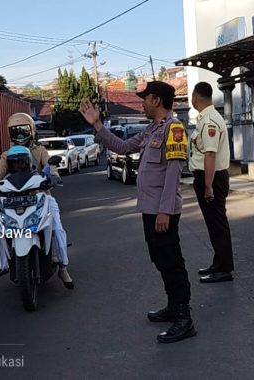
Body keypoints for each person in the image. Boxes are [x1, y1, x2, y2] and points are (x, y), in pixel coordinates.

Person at [80, 81, 196, 344]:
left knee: (172, 262)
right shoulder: (151, 130)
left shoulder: (173, 129)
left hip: (162, 211)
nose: (141, 103)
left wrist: (165, 212)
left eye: (145, 99)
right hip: (150, 209)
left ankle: (184, 318)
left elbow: (173, 172)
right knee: (160, 259)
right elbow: (122, 147)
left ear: (156, 100)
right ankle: (172, 306)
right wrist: (97, 125)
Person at [0, 113, 72, 289]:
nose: (20, 135)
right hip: (12, 200)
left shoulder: (40, 151)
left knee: (57, 229)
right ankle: (2, 265)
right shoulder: (6, 155)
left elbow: (51, 167)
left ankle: (62, 267)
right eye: (15, 131)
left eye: (23, 130)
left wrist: (54, 176)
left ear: (31, 130)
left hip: (41, 196)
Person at [188, 82, 235, 283]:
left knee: (217, 225)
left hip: (212, 178)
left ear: (196, 97)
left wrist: (208, 186)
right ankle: (218, 263)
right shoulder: (206, 118)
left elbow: (209, 154)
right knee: (214, 225)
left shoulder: (209, 121)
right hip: (209, 176)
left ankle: (224, 269)